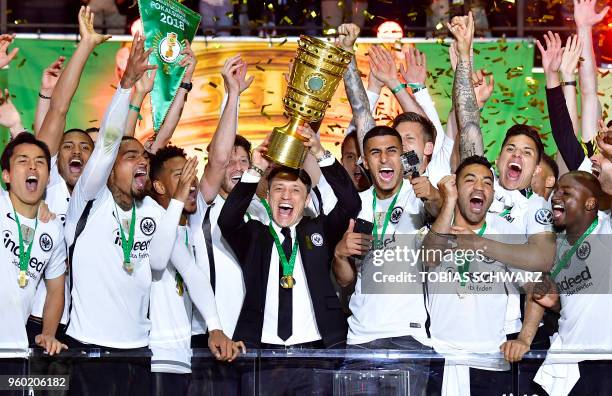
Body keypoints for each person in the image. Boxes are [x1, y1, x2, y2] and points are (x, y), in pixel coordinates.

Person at [62, 33, 183, 395]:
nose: (143, 160)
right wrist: (127, 87)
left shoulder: (150, 210)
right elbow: (109, 144)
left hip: (139, 353)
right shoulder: (88, 199)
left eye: (144, 158)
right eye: (132, 157)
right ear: (111, 169)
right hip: (88, 351)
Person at [218, 127, 360, 393]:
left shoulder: (319, 231)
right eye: (279, 189)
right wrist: (256, 170)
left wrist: (320, 153)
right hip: (261, 357)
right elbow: (227, 220)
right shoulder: (254, 236)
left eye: (295, 190)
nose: (286, 196)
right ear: (268, 196)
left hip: (317, 356)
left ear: (306, 199)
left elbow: (351, 204)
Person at [422, 156, 542, 396]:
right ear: (455, 187)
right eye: (470, 180)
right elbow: (430, 257)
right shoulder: (434, 229)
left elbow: (536, 288)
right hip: (439, 360)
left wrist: (524, 340)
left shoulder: (506, 231)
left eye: (487, 182)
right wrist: (449, 202)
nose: (480, 187)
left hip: (489, 361)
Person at [333, 126, 434, 396]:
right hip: (361, 336)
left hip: (409, 337)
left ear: (402, 157)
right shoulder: (355, 204)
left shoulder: (417, 196)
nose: (384, 158)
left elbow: (439, 209)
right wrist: (340, 254)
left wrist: (433, 194)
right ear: (365, 162)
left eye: (392, 151)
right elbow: (345, 280)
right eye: (375, 153)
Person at [148, 145, 243, 395]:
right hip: (154, 353)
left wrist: (215, 328)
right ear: (159, 186)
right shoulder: (151, 216)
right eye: (180, 174)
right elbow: (158, 260)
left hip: (180, 355)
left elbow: (192, 274)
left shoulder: (186, 228)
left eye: (192, 174)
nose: (190, 181)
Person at [532, 171, 612, 395]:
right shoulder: (558, 244)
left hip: (604, 361)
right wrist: (554, 304)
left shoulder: (606, 229)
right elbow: (577, 303)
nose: (556, 196)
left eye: (566, 192)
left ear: (590, 203)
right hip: (570, 359)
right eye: (556, 190)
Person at [0, 133, 67, 364]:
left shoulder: (53, 228)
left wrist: (48, 333)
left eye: (40, 162)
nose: (33, 166)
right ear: (6, 175)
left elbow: (57, 289)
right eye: (23, 161)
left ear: (48, 177)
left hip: (16, 351)